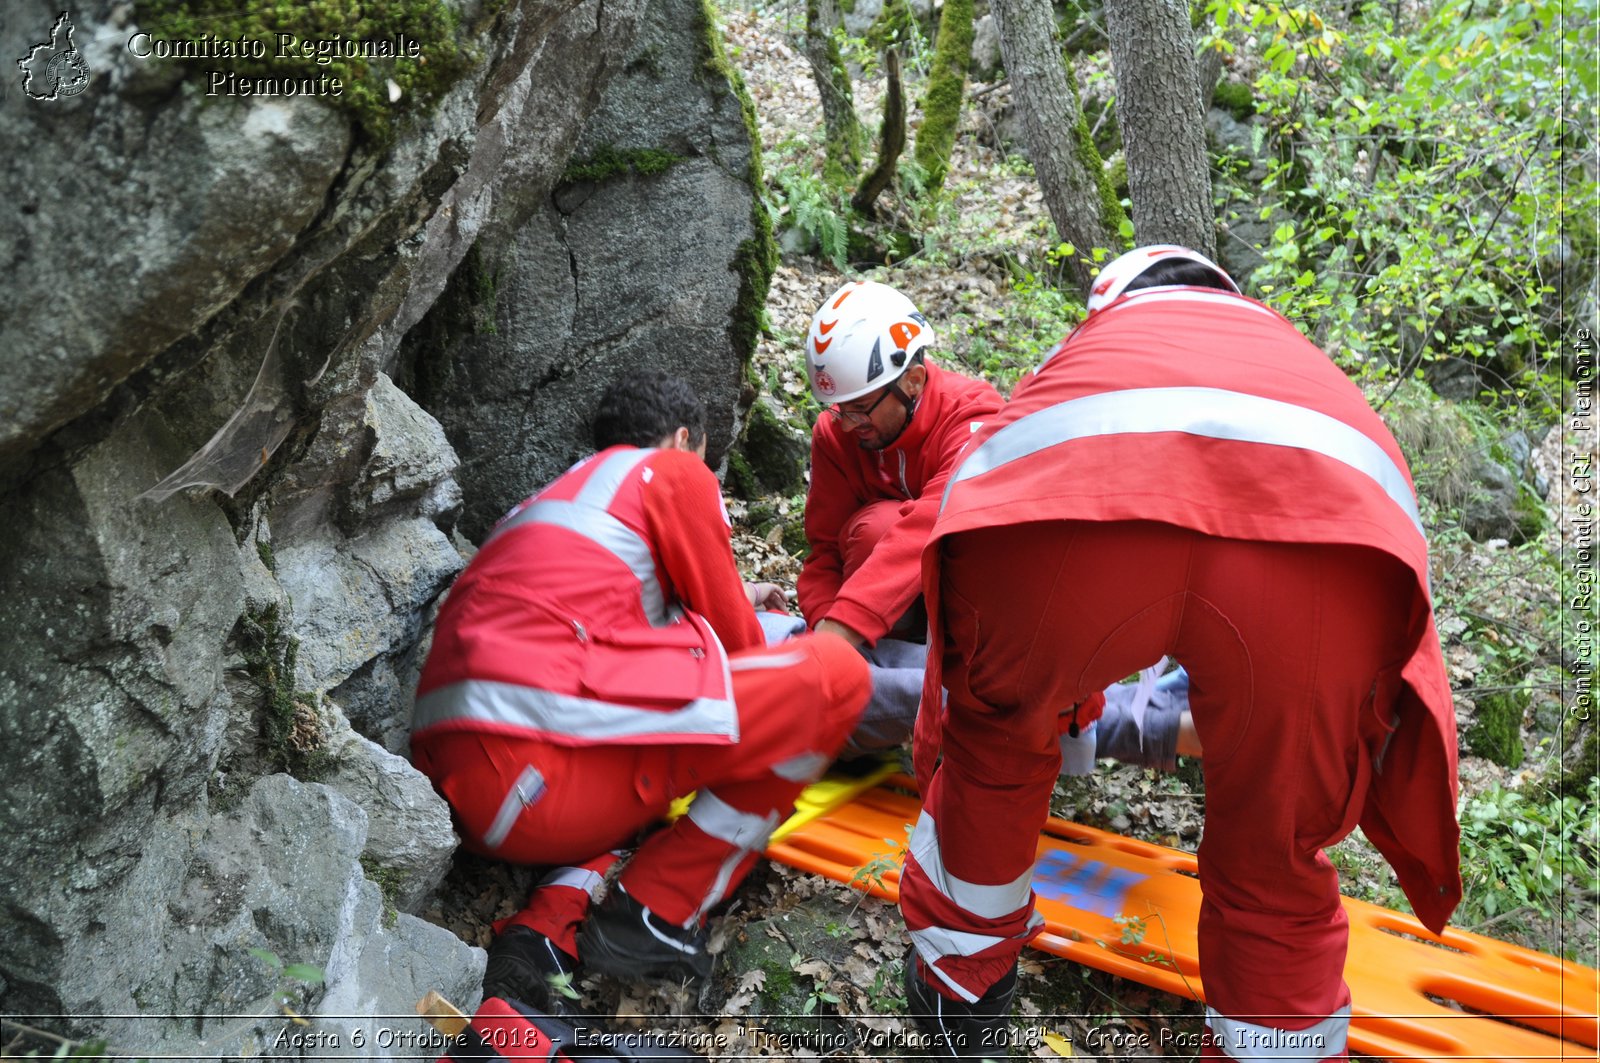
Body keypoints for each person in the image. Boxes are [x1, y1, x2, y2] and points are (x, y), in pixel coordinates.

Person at [899, 246, 1462, 1060]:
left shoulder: (1093, 349)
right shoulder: (1301, 359)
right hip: (1329, 546)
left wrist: (1050, 702)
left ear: (1110, 303)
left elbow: (994, 488)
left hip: (1072, 509)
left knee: (996, 748)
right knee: (1279, 840)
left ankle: (958, 989)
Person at [411, 371, 871, 1013]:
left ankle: (546, 930)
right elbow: (741, 651)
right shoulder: (672, 473)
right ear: (685, 440)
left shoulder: (548, 503)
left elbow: (604, 625)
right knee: (833, 676)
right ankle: (659, 907)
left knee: (647, 768)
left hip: (466, 793)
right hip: (539, 772)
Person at [797, 278, 1199, 768]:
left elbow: (925, 527)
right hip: (883, 635)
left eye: (859, 410)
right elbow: (823, 554)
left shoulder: (974, 417)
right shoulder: (837, 435)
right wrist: (825, 631)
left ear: (913, 383)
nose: (845, 426)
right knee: (875, 539)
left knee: (889, 537)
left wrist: (835, 642)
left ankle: (1154, 720)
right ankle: (1156, 722)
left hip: (974, 615)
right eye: (837, 411)